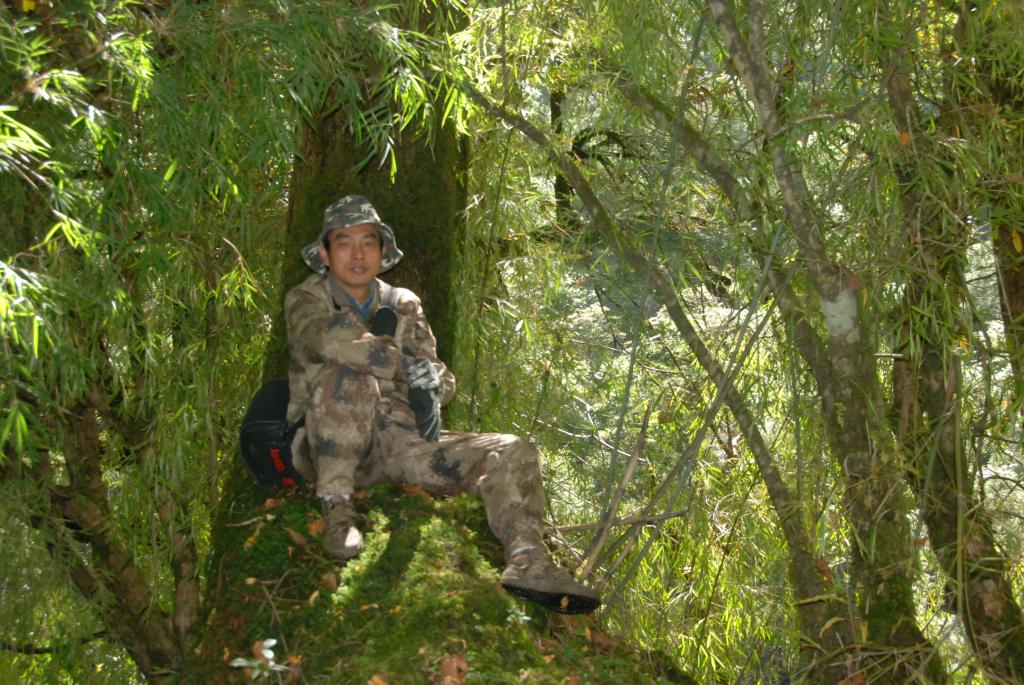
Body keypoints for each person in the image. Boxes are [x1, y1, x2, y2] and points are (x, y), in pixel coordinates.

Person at [284, 195, 600, 614]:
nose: (357, 254)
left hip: (401, 447)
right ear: (325, 254)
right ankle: (337, 509)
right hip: (329, 447)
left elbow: (442, 380)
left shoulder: (403, 303)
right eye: (344, 242)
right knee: (350, 373)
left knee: (510, 449)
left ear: (382, 251)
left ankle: (528, 560)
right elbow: (334, 343)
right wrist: (404, 368)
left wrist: (429, 384)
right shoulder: (307, 298)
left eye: (368, 242)